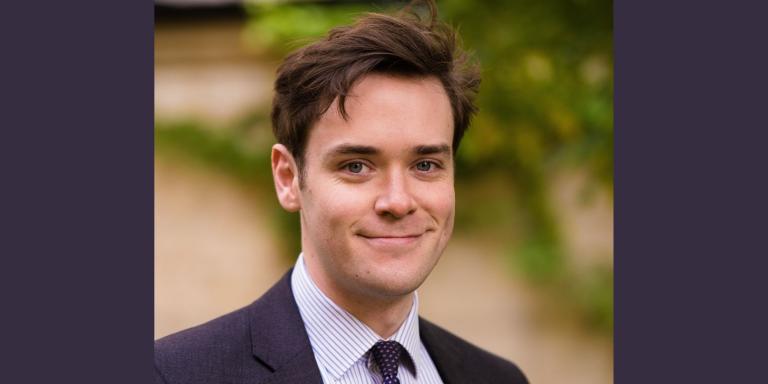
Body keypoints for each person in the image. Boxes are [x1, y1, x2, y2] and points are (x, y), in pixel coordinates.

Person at [155, 1, 528, 383]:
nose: (397, 201)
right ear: (287, 178)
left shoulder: (497, 378)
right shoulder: (173, 375)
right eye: (356, 166)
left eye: (425, 165)